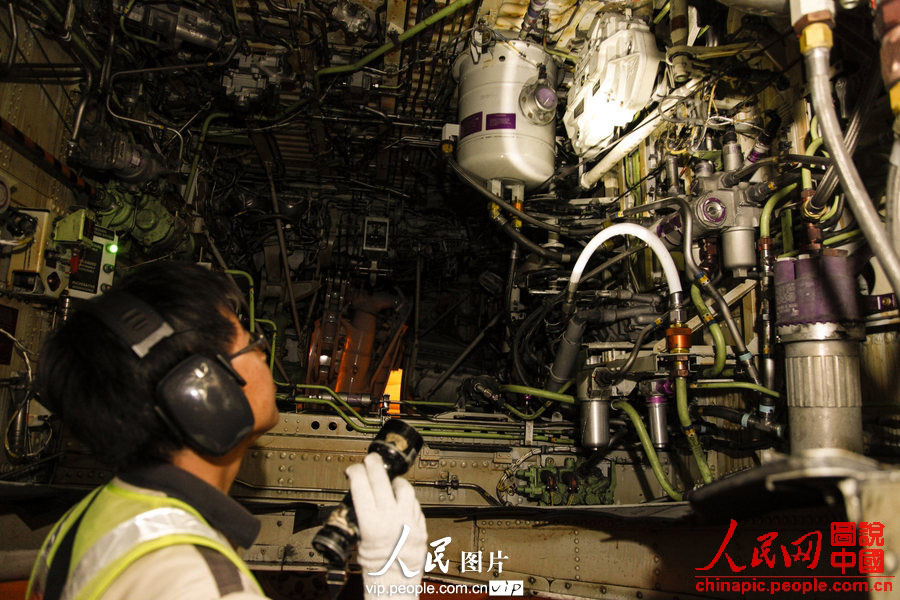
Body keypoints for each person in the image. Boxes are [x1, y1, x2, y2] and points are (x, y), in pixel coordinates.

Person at [27, 262, 427, 600]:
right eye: (250, 341)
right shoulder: (199, 582)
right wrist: (395, 585)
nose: (264, 351)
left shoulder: (86, 520)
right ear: (200, 390)